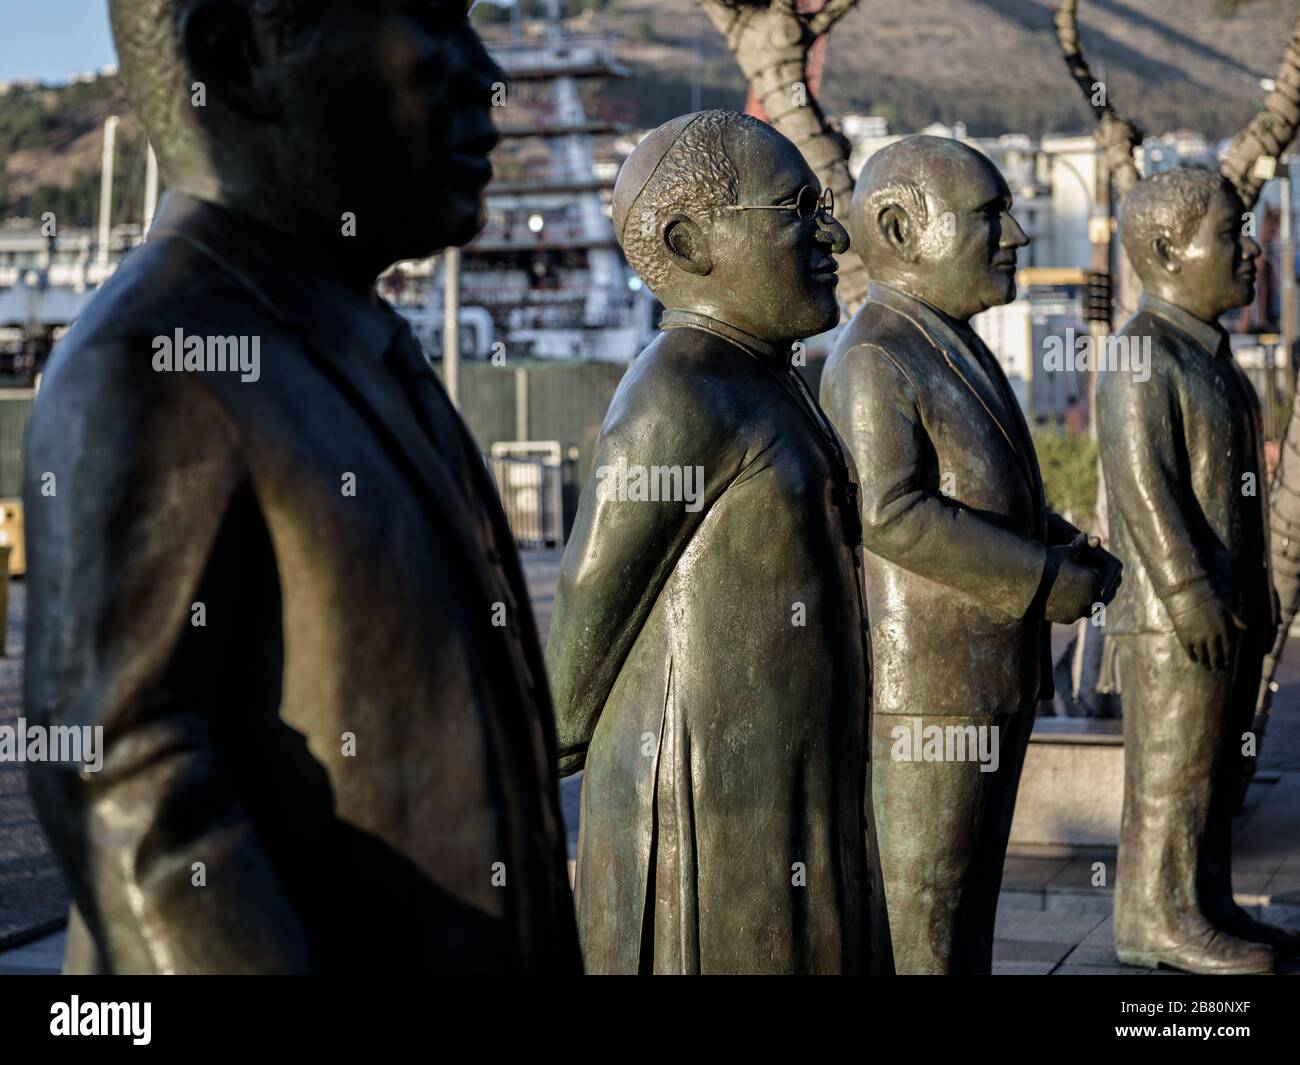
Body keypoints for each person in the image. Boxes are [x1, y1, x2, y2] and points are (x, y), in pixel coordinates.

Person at [23, 0, 579, 973]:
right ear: (237, 60)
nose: (486, 75)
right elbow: (125, 785)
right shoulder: (163, 360)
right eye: (434, 20)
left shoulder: (349, 338)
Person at [546, 110, 890, 974]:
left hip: (783, 786)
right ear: (689, 242)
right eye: (796, 208)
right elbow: (590, 606)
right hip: (706, 808)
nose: (831, 233)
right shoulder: (680, 391)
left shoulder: (764, 375)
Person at [821, 135, 1120, 974]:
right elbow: (892, 511)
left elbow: (991, 494)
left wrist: (1066, 545)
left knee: (965, 910)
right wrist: (1043, 578)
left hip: (983, 680)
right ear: (898, 227)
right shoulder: (874, 354)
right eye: (990, 215)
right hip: (927, 696)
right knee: (927, 915)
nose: (1017, 234)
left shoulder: (945, 338)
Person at [1099, 167, 1297, 974]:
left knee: (1213, 773)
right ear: (1166, 251)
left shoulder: (1212, 358)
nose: (1252, 251)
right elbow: (1144, 487)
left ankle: (1204, 901)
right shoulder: (1142, 355)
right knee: (1172, 774)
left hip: (1228, 610)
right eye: (1231, 234)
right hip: (1173, 618)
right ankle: (1155, 915)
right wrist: (1186, 590)